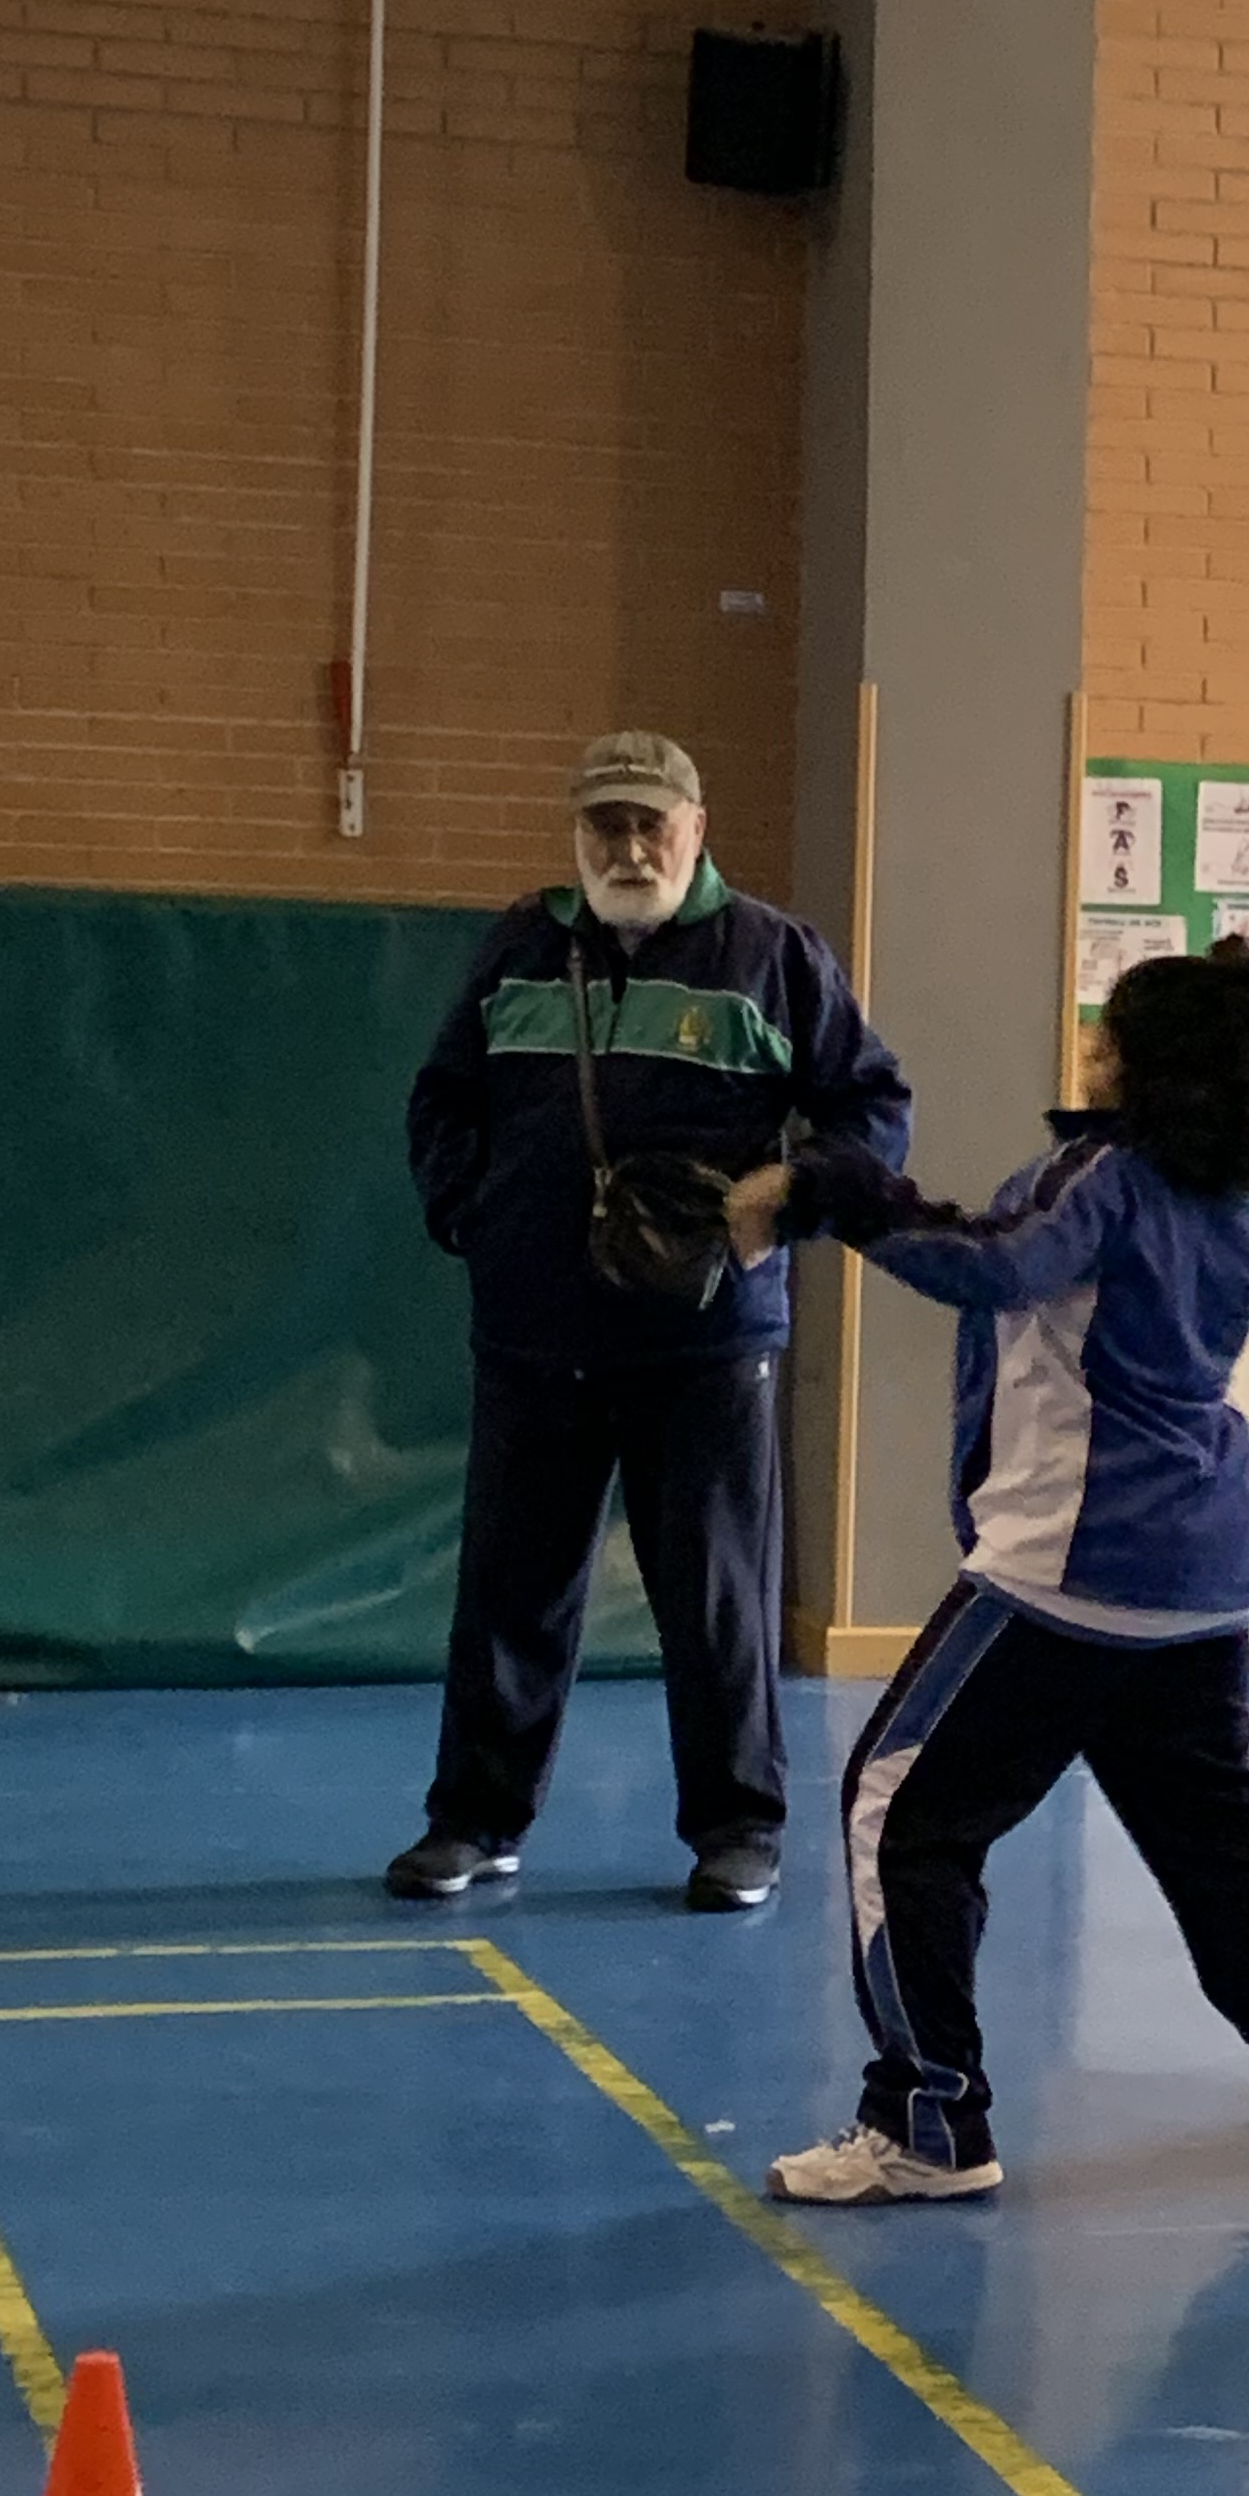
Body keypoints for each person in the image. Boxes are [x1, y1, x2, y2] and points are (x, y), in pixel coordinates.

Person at [736, 941, 1249, 2204]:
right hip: (1204, 1570)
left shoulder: (1104, 1175)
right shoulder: (1237, 1207)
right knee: (1217, 1835)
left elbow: (995, 1262)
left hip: (1071, 1568)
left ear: (1134, 1060)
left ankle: (929, 2120)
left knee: (898, 1808)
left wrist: (842, 1196)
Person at [392, 731, 909, 1912]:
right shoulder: (520, 947)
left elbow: (872, 1110)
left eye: (650, 824)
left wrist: (788, 1199)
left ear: (696, 827)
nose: (629, 847)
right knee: (510, 1592)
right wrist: (474, 1217)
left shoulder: (775, 957)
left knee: (717, 1597)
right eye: (605, 825)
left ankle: (738, 1829)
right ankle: (474, 1822)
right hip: (535, 1334)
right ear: (577, 835)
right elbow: (443, 1098)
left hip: (708, 1345)